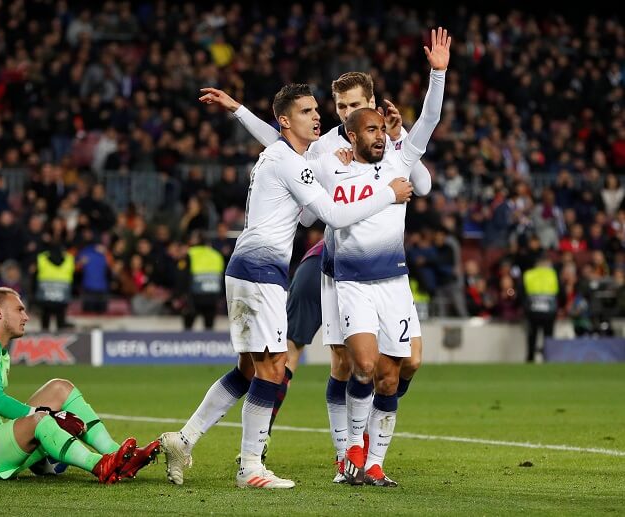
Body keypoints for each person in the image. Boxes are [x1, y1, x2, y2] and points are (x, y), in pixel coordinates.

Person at [159, 83, 413, 489]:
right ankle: (250, 467)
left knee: (248, 370)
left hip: (250, 270)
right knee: (273, 368)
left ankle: (184, 439)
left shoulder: (283, 155)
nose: (318, 116)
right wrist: (389, 193)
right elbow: (331, 214)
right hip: (260, 273)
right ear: (286, 121)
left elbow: (311, 212)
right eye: (308, 111)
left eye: (318, 110)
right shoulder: (289, 162)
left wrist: (238, 109)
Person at [321, 28, 449, 487]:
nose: (382, 136)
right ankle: (353, 449)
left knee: (394, 376)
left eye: (381, 128)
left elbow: (429, 123)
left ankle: (373, 462)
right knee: (365, 366)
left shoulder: (398, 158)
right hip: (352, 282)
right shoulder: (330, 165)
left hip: (394, 283)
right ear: (351, 133)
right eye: (371, 130)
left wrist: (438, 74)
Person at [0, 287, 159, 483]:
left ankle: (118, 454)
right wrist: (48, 416)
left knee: (59, 388)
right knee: (40, 419)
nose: (26, 316)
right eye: (19, 310)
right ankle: (100, 465)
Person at [180, 231, 225, 330]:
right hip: (213, 295)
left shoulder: (191, 253)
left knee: (188, 325)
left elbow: (183, 276)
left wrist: (182, 294)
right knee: (209, 326)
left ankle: (185, 342)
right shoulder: (217, 255)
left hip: (195, 296)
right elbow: (222, 275)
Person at [522, 256, 559, 361]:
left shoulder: (528, 274)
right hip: (549, 311)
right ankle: (548, 358)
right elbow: (560, 292)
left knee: (532, 336)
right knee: (548, 336)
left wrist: (524, 307)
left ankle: (530, 358)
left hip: (532, 310)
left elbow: (521, 292)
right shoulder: (552, 274)